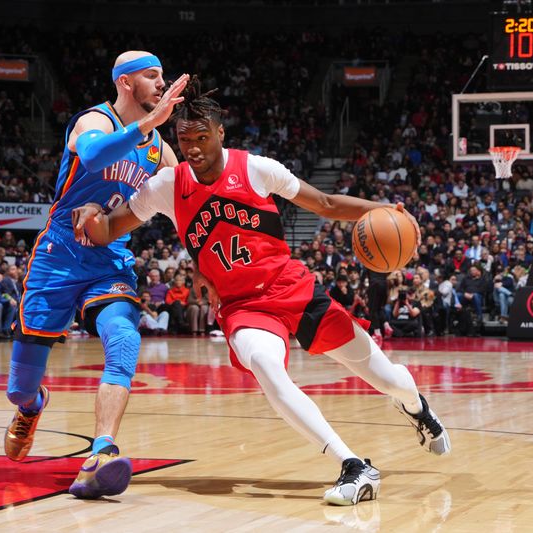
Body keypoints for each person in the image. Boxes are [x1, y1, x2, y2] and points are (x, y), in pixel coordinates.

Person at [74, 78, 450, 506]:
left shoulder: (256, 168)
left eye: (201, 137)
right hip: (242, 306)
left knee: (387, 379)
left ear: (220, 134)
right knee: (266, 367)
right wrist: (90, 210)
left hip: (293, 288)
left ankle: (416, 407)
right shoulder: (166, 185)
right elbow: (109, 229)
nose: (193, 148)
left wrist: (382, 210)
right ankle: (353, 465)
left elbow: (324, 204)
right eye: (184, 139)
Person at [3, 50, 188, 500]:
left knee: (124, 338)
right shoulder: (94, 121)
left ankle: (101, 451)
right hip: (59, 256)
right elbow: (92, 157)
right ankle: (31, 406)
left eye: (163, 76)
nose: (162, 83)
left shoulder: (160, 150)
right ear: (126, 83)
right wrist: (147, 124)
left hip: (110, 259)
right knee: (19, 386)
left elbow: (186, 203)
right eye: (152, 76)